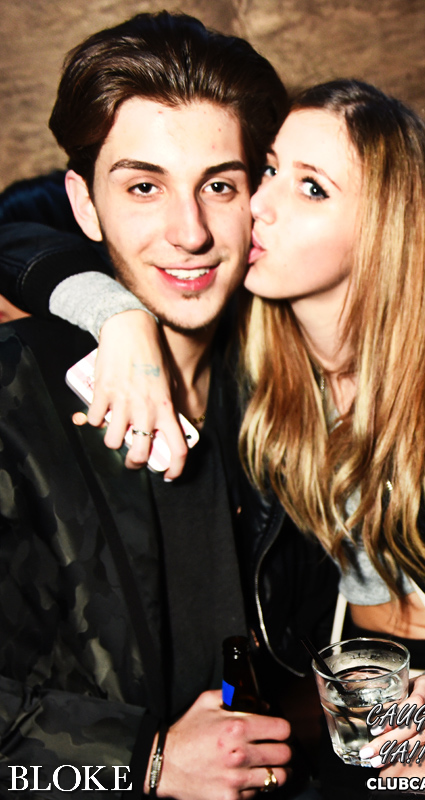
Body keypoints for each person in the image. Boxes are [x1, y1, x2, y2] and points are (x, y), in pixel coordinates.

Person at [2, 78, 425, 793]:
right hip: (339, 696)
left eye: (311, 188)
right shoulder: (256, 360)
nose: (257, 204)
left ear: (384, 226)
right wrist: (115, 316)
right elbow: (15, 226)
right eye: (268, 171)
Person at [0, 12, 339, 799]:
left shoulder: (289, 382)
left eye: (219, 185)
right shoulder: (15, 397)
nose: (189, 232)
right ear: (86, 206)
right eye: (144, 187)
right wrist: (144, 761)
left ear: (258, 196)